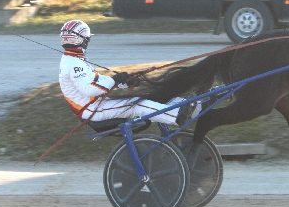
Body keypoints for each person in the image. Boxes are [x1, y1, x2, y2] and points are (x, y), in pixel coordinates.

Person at [58, 20, 199, 128]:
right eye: (87, 39)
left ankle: (189, 105)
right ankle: (176, 117)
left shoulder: (74, 60)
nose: (87, 42)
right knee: (139, 104)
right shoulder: (73, 64)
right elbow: (89, 90)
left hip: (96, 104)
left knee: (145, 98)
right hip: (91, 110)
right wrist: (114, 80)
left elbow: (99, 81)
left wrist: (124, 82)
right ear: (80, 40)